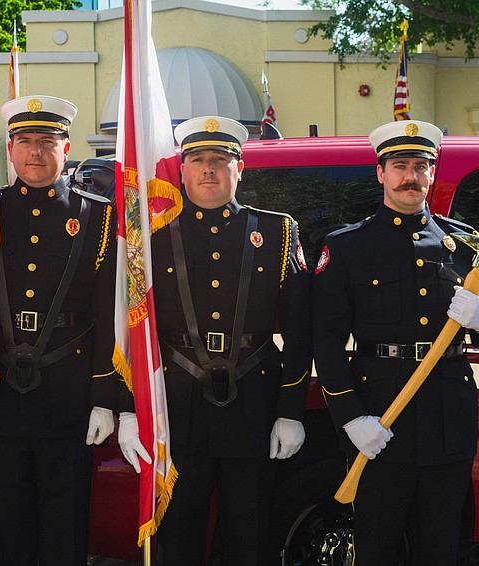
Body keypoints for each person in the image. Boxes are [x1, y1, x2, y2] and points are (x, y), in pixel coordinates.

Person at [312, 120, 479, 566]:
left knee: (440, 548)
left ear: (433, 174)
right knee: (376, 547)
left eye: (421, 166)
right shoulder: (347, 247)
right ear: (380, 173)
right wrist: (351, 417)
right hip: (379, 419)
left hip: (448, 421)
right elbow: (325, 341)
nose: (411, 176)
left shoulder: (465, 246)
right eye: (399, 166)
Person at [119, 116, 312, 565]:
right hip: (177, 409)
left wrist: (289, 412)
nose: (209, 170)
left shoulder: (279, 233)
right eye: (198, 160)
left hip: (254, 408)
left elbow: (301, 331)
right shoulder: (149, 236)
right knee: (178, 537)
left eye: (220, 160)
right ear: (181, 170)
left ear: (239, 168)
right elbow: (129, 326)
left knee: (250, 536)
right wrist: (129, 405)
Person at [0, 95, 119, 566]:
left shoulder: (100, 217)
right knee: (6, 530)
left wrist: (104, 395)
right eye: (26, 141)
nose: (36, 152)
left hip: (68, 395)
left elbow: (108, 313)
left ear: (67, 147)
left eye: (47, 141)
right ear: (9, 150)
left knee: (65, 530)